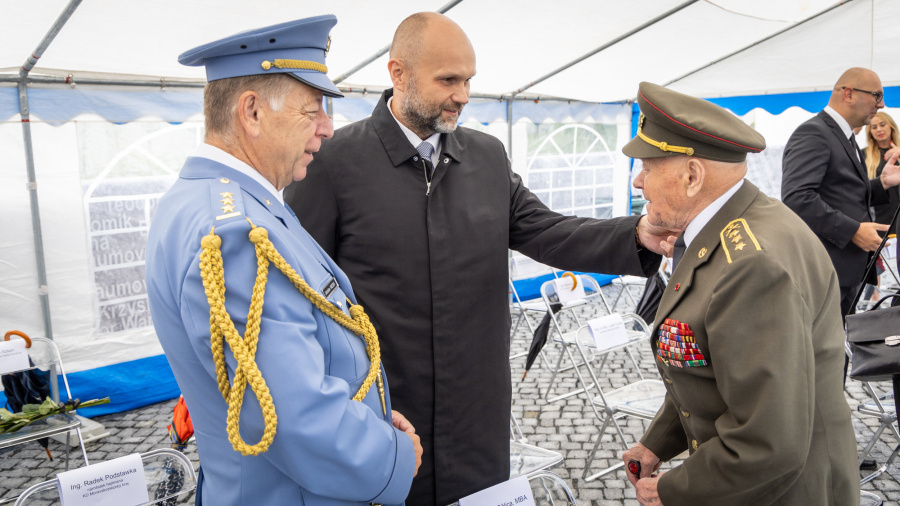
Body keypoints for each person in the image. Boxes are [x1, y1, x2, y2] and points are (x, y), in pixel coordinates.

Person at [285, 12, 673, 504]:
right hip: (384, 413)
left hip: (477, 415)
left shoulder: (487, 156)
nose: (463, 95)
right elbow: (299, 290)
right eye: (448, 79)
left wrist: (638, 234)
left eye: (468, 80)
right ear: (397, 73)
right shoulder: (333, 162)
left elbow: (547, 230)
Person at [146, 16, 421, 505]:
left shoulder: (220, 204)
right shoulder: (236, 233)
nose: (328, 129)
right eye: (312, 110)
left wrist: (370, 416)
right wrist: (390, 453)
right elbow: (292, 415)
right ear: (251, 112)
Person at [621, 81, 859, 506]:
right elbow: (709, 370)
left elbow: (768, 441)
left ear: (692, 176)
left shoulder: (750, 265)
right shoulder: (741, 225)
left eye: (648, 168)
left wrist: (674, 490)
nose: (640, 182)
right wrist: (659, 442)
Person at [782, 67, 900, 317]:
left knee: (838, 350)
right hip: (826, 270)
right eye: (877, 95)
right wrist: (853, 231)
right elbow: (796, 198)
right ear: (848, 94)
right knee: (826, 352)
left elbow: (844, 193)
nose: (882, 104)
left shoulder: (844, 137)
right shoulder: (814, 133)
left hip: (845, 270)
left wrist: (882, 184)